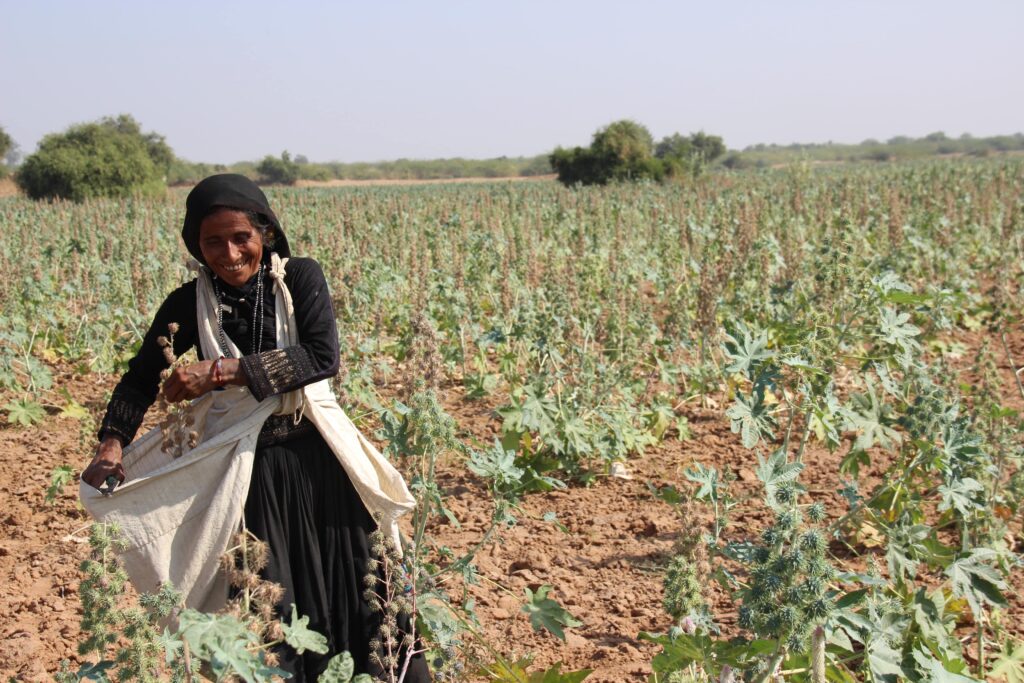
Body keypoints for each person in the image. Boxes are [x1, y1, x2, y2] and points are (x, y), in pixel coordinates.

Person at [82, 174, 431, 681]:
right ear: (196, 246)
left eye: (241, 237)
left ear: (264, 232)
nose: (229, 252)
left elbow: (320, 356)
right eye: (212, 242)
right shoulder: (188, 302)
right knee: (268, 601)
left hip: (321, 463)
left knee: (363, 589)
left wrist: (219, 372)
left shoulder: (300, 279)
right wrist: (112, 446)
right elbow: (139, 380)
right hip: (246, 474)